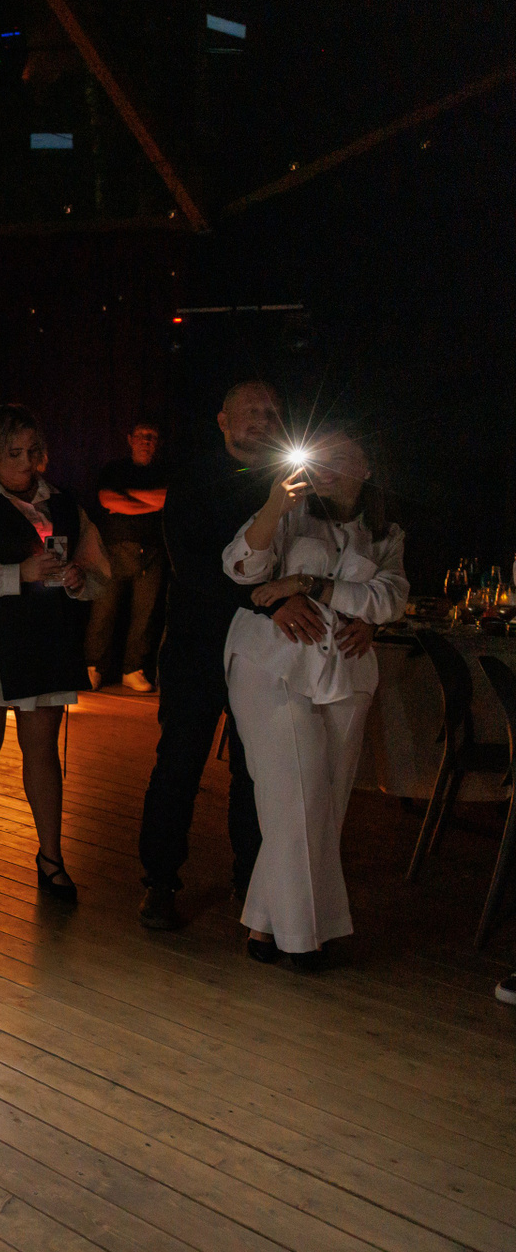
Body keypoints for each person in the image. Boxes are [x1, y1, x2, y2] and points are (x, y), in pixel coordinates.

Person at [225, 427, 405, 967]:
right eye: (320, 454)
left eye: (340, 456)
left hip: (346, 672)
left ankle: (264, 924)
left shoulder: (385, 533)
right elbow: (241, 567)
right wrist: (273, 507)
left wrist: (310, 585)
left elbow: (390, 599)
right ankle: (304, 941)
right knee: (295, 799)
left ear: (366, 468)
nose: (325, 465)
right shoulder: (289, 514)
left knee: (323, 807)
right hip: (272, 664)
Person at [0, 404, 107, 904]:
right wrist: (16, 575)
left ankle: (51, 858)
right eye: (14, 453)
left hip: (47, 639)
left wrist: (76, 578)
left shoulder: (63, 503)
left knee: (42, 751)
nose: (26, 462)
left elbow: (99, 573)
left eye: (32, 451)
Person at [137, 382, 290, 930]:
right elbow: (192, 566)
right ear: (223, 420)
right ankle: (159, 882)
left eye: (271, 412)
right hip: (197, 645)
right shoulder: (194, 479)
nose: (263, 420)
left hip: (262, 648)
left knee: (254, 770)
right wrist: (269, 598)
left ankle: (250, 882)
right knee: (179, 764)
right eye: (252, 412)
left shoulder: (288, 483)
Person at [86, 421, 168, 692]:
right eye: (142, 435)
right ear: (130, 439)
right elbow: (108, 500)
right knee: (104, 610)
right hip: (114, 549)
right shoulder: (115, 469)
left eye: (152, 436)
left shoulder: (163, 471)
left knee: (146, 614)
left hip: (153, 551)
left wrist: (129, 496)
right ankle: (93, 666)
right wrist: (149, 503)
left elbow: (166, 499)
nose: (146, 440)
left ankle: (133, 669)